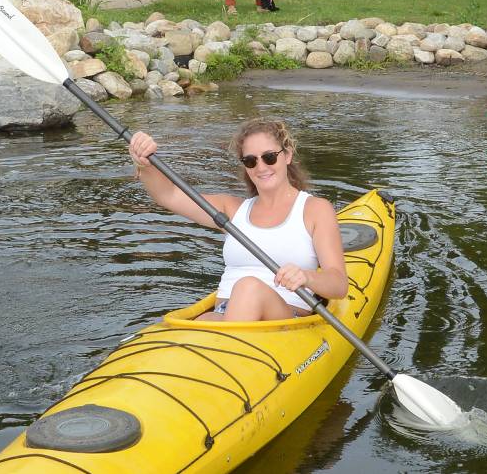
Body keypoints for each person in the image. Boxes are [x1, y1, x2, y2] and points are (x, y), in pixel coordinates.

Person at [128, 118, 347, 322]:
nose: (261, 167)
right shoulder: (232, 210)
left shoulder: (315, 210)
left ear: (287, 155)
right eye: (250, 161)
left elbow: (338, 283)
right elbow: (169, 195)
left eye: (269, 157)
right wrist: (145, 163)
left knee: (248, 287)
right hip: (225, 314)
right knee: (198, 323)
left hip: (283, 319)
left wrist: (307, 277)